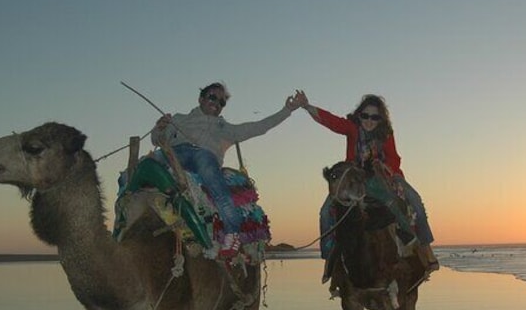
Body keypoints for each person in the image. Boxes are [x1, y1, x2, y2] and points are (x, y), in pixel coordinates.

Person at [152, 82, 305, 256]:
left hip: (205, 160)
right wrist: (160, 127)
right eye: (212, 97)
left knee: (204, 157)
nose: (217, 103)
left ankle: (232, 231)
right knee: (149, 161)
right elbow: (157, 139)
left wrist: (287, 110)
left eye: (222, 102)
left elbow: (260, 127)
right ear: (201, 98)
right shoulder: (178, 119)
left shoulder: (226, 130)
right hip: (175, 155)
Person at [299, 92, 439, 280]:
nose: (369, 120)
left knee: (414, 200)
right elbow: (332, 122)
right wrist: (308, 107)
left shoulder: (386, 133)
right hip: (354, 178)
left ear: (381, 118)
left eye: (374, 117)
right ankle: (329, 259)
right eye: (365, 115)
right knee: (326, 211)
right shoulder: (352, 128)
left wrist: (385, 169)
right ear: (359, 115)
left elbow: (394, 158)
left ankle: (425, 248)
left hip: (385, 175)